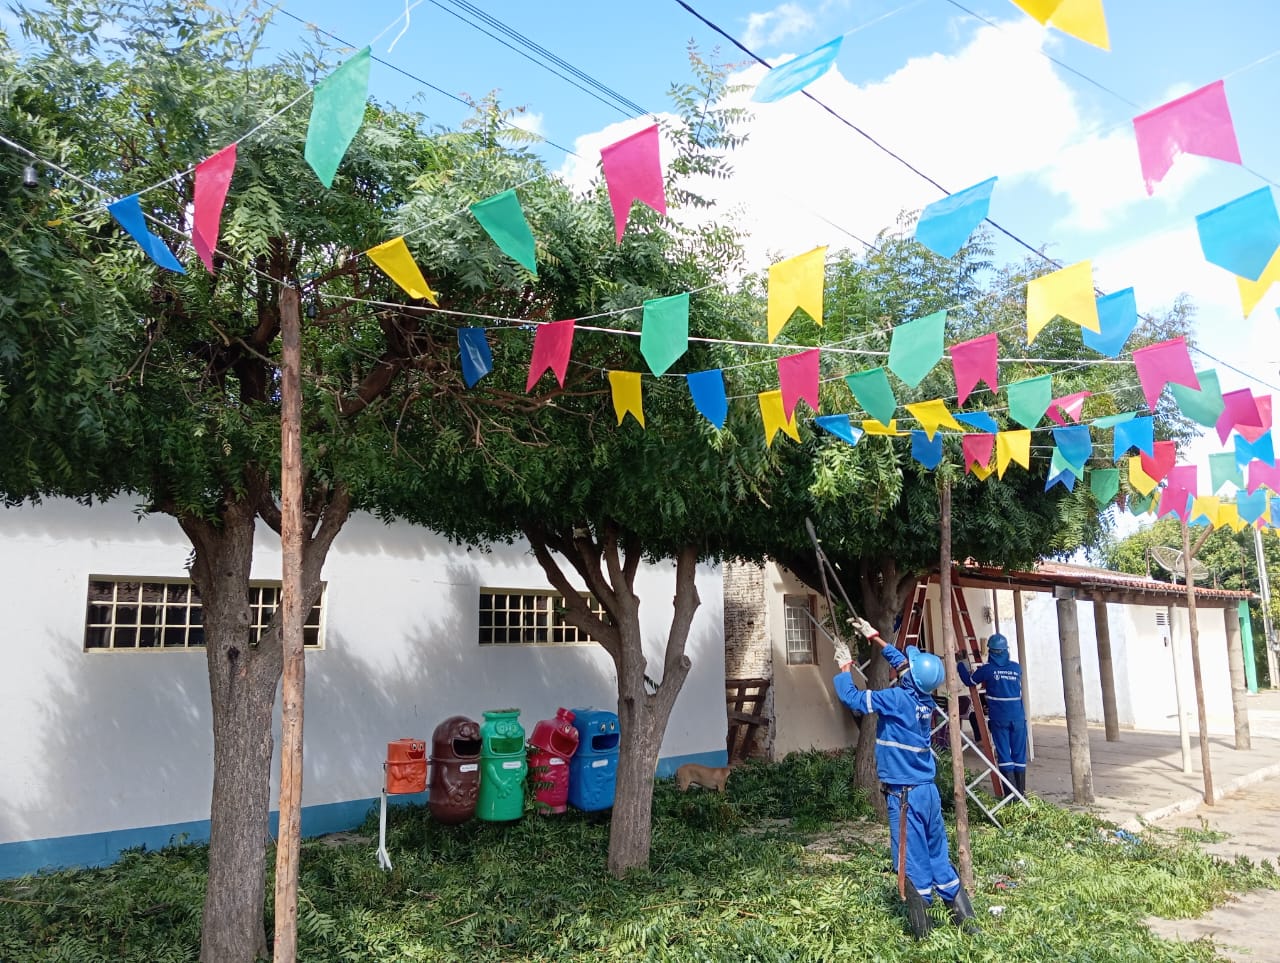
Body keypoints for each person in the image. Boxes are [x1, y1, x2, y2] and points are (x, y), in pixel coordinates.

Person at [832, 617, 977, 940]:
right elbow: (906, 666)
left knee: (910, 860)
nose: (902, 667)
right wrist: (874, 636)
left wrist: (844, 667)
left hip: (905, 796)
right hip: (927, 792)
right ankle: (968, 927)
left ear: (908, 677)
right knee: (938, 855)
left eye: (906, 668)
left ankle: (922, 937)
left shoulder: (895, 700)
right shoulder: (924, 699)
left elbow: (854, 699)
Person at [958, 633, 1027, 795]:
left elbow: (969, 681)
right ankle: (1021, 794)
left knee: (1004, 755)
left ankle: (1011, 796)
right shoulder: (1016, 668)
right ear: (1005, 650)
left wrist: (960, 664)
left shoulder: (987, 670)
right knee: (1019, 755)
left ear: (991, 651)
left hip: (999, 719)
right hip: (1018, 718)